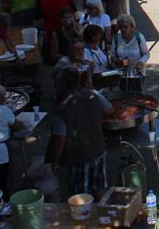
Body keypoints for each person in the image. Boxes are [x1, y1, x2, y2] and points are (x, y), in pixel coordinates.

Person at [47, 68, 111, 199]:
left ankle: (84, 218)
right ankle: (106, 213)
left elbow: (60, 140)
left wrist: (55, 163)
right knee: (100, 188)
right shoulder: (93, 94)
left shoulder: (63, 108)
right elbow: (110, 110)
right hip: (99, 149)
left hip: (79, 158)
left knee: (82, 197)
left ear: (62, 85)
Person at [111, 13, 149, 91]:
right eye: (120, 27)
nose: (123, 29)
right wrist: (119, 61)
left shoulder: (139, 37)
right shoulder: (116, 38)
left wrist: (141, 62)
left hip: (137, 74)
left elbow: (146, 54)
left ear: (132, 26)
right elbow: (112, 56)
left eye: (125, 27)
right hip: (122, 75)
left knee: (137, 98)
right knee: (125, 98)